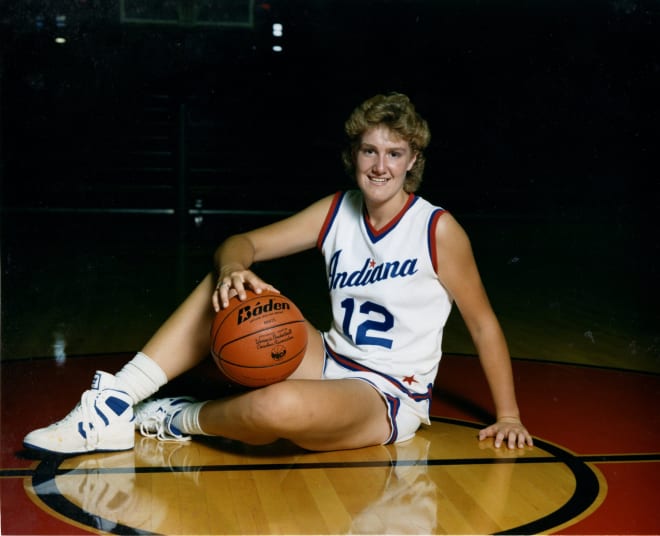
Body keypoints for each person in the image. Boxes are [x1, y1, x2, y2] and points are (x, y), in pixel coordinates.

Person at [24, 92, 533, 455]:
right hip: (328, 357)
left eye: (394, 154)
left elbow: (483, 323)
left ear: (412, 161)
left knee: (280, 407)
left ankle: (171, 416)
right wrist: (231, 269)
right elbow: (241, 244)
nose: (380, 166)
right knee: (228, 287)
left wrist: (507, 414)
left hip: (387, 394)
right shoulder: (337, 210)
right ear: (353, 155)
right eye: (370, 151)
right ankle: (114, 405)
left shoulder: (437, 229)